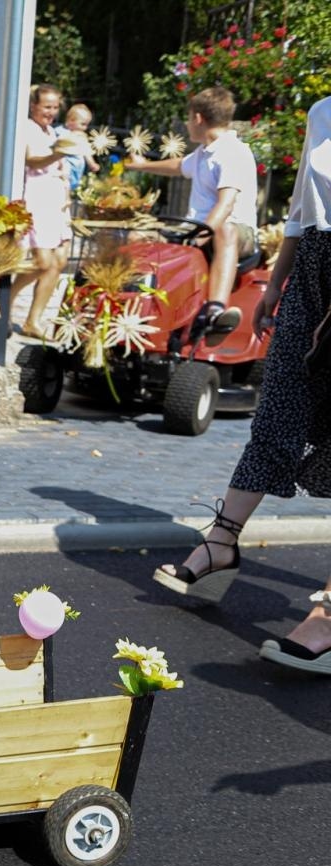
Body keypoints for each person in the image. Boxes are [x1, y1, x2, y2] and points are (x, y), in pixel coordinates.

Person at [152, 94, 331, 674]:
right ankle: (222, 540)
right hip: (314, 273)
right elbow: (306, 209)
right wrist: (280, 281)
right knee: (277, 412)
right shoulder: (323, 112)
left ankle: (330, 612)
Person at [124, 86, 259, 338]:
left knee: (224, 230)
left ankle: (215, 312)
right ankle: (133, 310)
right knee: (137, 237)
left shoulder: (233, 152)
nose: (187, 124)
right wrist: (142, 166)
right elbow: (178, 165)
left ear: (197, 118)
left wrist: (199, 236)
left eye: (188, 118)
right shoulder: (202, 154)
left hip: (237, 234)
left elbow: (226, 204)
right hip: (195, 229)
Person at [11, 84, 73, 341]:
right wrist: (57, 154)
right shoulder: (28, 128)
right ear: (33, 106)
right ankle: (6, 304)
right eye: (46, 106)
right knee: (42, 262)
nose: (51, 112)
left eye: (55, 107)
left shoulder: (51, 132)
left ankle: (33, 320)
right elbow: (31, 160)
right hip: (37, 200)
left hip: (55, 203)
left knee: (58, 263)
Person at [58, 102, 101, 193]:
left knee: (71, 190)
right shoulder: (61, 133)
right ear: (70, 121)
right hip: (64, 171)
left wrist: (92, 164)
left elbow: (86, 152)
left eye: (87, 125)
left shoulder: (81, 136)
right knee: (63, 190)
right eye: (83, 124)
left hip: (76, 171)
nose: (85, 128)